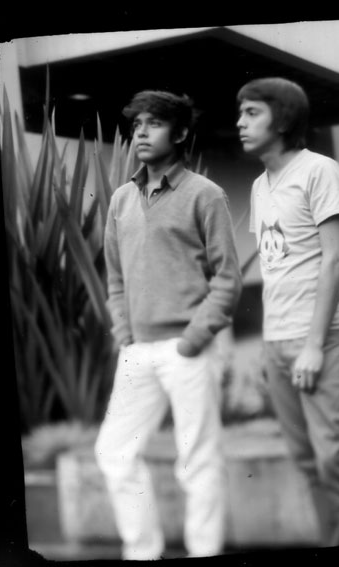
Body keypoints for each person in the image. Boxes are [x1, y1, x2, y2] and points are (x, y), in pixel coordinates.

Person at [95, 89, 242, 560]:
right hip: (138, 351)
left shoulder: (205, 195)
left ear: (179, 134)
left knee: (197, 460)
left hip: (188, 349)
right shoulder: (121, 200)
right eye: (136, 124)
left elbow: (228, 278)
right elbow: (115, 278)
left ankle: (204, 552)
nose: (141, 132)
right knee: (114, 452)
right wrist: (124, 334)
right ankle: (143, 553)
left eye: (153, 124)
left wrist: (194, 339)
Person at [236, 77, 339, 546]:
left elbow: (334, 260)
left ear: (282, 119)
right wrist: (269, 345)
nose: (240, 123)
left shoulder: (320, 171)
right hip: (278, 342)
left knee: (336, 460)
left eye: (252, 112)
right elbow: (275, 267)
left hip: (322, 339)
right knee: (305, 461)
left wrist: (313, 346)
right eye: (240, 113)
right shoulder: (259, 186)